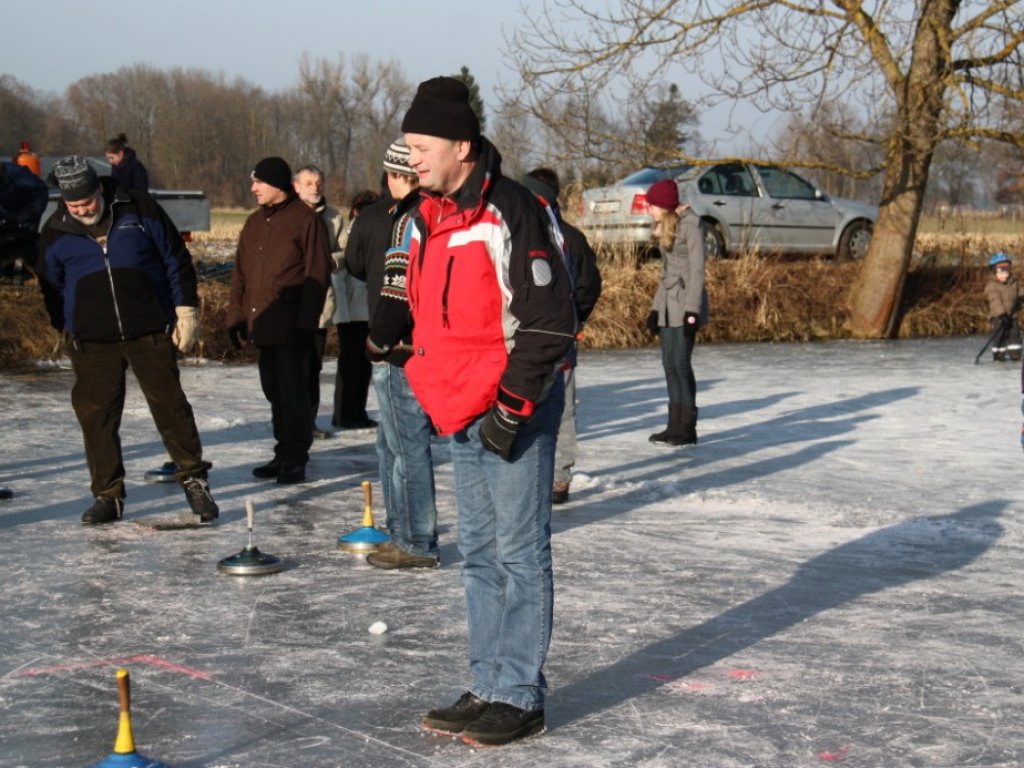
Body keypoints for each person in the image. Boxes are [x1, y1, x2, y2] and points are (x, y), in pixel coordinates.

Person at [400, 77, 576, 747]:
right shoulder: (431, 215)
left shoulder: (513, 209)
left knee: (518, 552)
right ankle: (488, 683)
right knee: (476, 552)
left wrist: (512, 406)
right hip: (456, 408)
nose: (412, 157)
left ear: (462, 146)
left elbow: (549, 321)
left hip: (509, 409)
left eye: (422, 145)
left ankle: (520, 694)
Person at [35, 156, 218, 524]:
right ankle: (108, 495)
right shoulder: (55, 230)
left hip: (149, 328)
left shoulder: (139, 208)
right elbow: (50, 284)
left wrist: (186, 309)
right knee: (97, 418)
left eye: (87, 200)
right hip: (91, 340)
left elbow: (175, 259)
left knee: (171, 407)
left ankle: (194, 480)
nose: (83, 208)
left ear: (99, 189)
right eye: (74, 204)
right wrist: (67, 323)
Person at [348, 138, 439, 570]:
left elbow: (397, 289)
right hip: (416, 346)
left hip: (402, 351)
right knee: (392, 445)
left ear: (393, 175)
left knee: (406, 447)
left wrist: (377, 341)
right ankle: (400, 528)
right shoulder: (432, 212)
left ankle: (416, 538)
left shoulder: (409, 219)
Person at [226, 157, 332, 484]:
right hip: (263, 324)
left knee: (293, 393)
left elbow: (317, 274)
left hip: (292, 326)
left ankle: (295, 457)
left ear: (276, 185)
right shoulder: (254, 223)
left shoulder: (304, 220)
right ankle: (282, 451)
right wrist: (236, 318)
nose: (253, 188)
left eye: (258, 182)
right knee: (273, 391)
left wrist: (306, 323)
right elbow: (241, 275)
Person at [521, 167, 602, 505]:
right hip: (524, 343)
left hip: (560, 343)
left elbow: (589, 286)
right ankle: (533, 475)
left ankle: (559, 477)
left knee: (563, 409)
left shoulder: (569, 238)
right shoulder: (519, 231)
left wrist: (572, 319)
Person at [644, 178, 708, 446]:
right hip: (669, 304)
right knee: (669, 364)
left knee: (681, 363)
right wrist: (655, 309)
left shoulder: (692, 226)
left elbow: (697, 270)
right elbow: (666, 273)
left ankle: (687, 427)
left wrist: (692, 311)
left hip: (685, 305)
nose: (649, 210)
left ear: (664, 206)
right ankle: (673, 425)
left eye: (652, 205)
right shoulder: (666, 227)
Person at [293, 164, 346, 437]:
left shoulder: (334, 218)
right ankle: (289, 421)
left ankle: (309, 422)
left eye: (318, 183)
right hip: (287, 305)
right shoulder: (286, 216)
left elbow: (345, 252)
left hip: (319, 305)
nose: (315, 187)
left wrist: (328, 261)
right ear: (296, 187)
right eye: (308, 183)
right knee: (290, 368)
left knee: (312, 366)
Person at [330, 190, 378, 430]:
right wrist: (342, 312)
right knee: (349, 364)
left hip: (366, 310)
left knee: (363, 364)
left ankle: (357, 411)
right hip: (351, 311)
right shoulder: (350, 235)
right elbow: (340, 275)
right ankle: (343, 413)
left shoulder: (369, 232)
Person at [1, 160, 49, 283]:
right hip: (6, 215)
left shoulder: (18, 173)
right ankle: (7, 277)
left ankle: (41, 277)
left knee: (27, 247)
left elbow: (41, 190)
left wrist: (31, 212)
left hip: (27, 214)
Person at [983, 251, 1021, 362]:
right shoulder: (992, 286)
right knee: (1000, 335)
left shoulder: (1013, 282)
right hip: (999, 317)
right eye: (1001, 271)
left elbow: (1020, 291)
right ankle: (999, 356)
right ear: (995, 271)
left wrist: (1021, 297)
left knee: (1015, 335)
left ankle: (1016, 355)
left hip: (1012, 316)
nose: (1005, 274)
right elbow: (995, 302)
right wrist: (1001, 314)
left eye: (1007, 271)